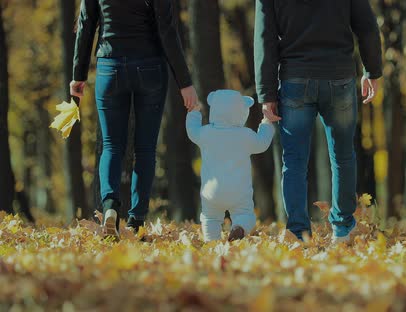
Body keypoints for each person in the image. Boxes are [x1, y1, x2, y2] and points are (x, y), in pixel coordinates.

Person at [254, 0, 383, 244]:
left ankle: (298, 232)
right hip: (339, 78)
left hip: (295, 79)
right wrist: (372, 70)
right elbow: (367, 25)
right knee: (343, 157)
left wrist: (267, 93)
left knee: (293, 162)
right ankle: (343, 230)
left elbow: (265, 37)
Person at [71, 0, 199, 238]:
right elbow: (167, 30)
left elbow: (86, 23)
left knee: (111, 145)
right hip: (150, 67)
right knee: (145, 149)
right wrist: (185, 83)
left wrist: (78, 75)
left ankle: (110, 206)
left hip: (110, 66)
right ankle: (136, 221)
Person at [186, 90, 275, 242]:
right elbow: (262, 143)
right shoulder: (245, 135)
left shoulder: (206, 133)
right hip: (238, 192)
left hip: (211, 192)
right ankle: (238, 228)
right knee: (246, 215)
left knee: (210, 218)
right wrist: (267, 122)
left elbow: (192, 131)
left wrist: (194, 112)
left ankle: (212, 243)